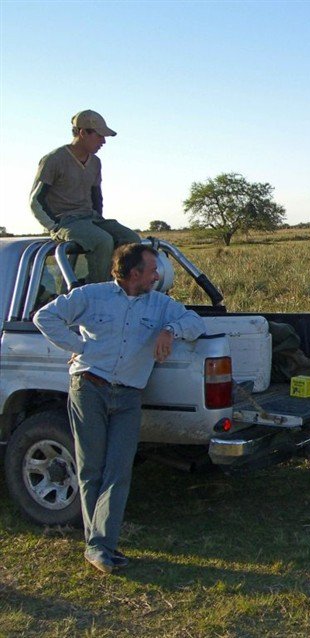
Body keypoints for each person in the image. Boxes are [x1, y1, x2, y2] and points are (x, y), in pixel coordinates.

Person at [34, 243, 205, 573]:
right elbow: (45, 316)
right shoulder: (92, 296)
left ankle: (101, 545)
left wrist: (169, 330)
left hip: (128, 396)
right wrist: (80, 346)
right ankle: (98, 546)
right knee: (91, 468)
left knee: (118, 470)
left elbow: (194, 322)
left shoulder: (160, 304)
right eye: (152, 271)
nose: (157, 277)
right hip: (89, 388)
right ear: (134, 273)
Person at [30, 110, 140, 283]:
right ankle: (97, 291)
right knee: (102, 241)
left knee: (132, 239)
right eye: (99, 136)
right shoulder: (54, 159)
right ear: (82, 133)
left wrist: (98, 221)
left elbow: (97, 197)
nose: (103, 141)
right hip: (66, 221)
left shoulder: (95, 162)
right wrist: (54, 226)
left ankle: (120, 287)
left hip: (91, 218)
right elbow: (35, 200)